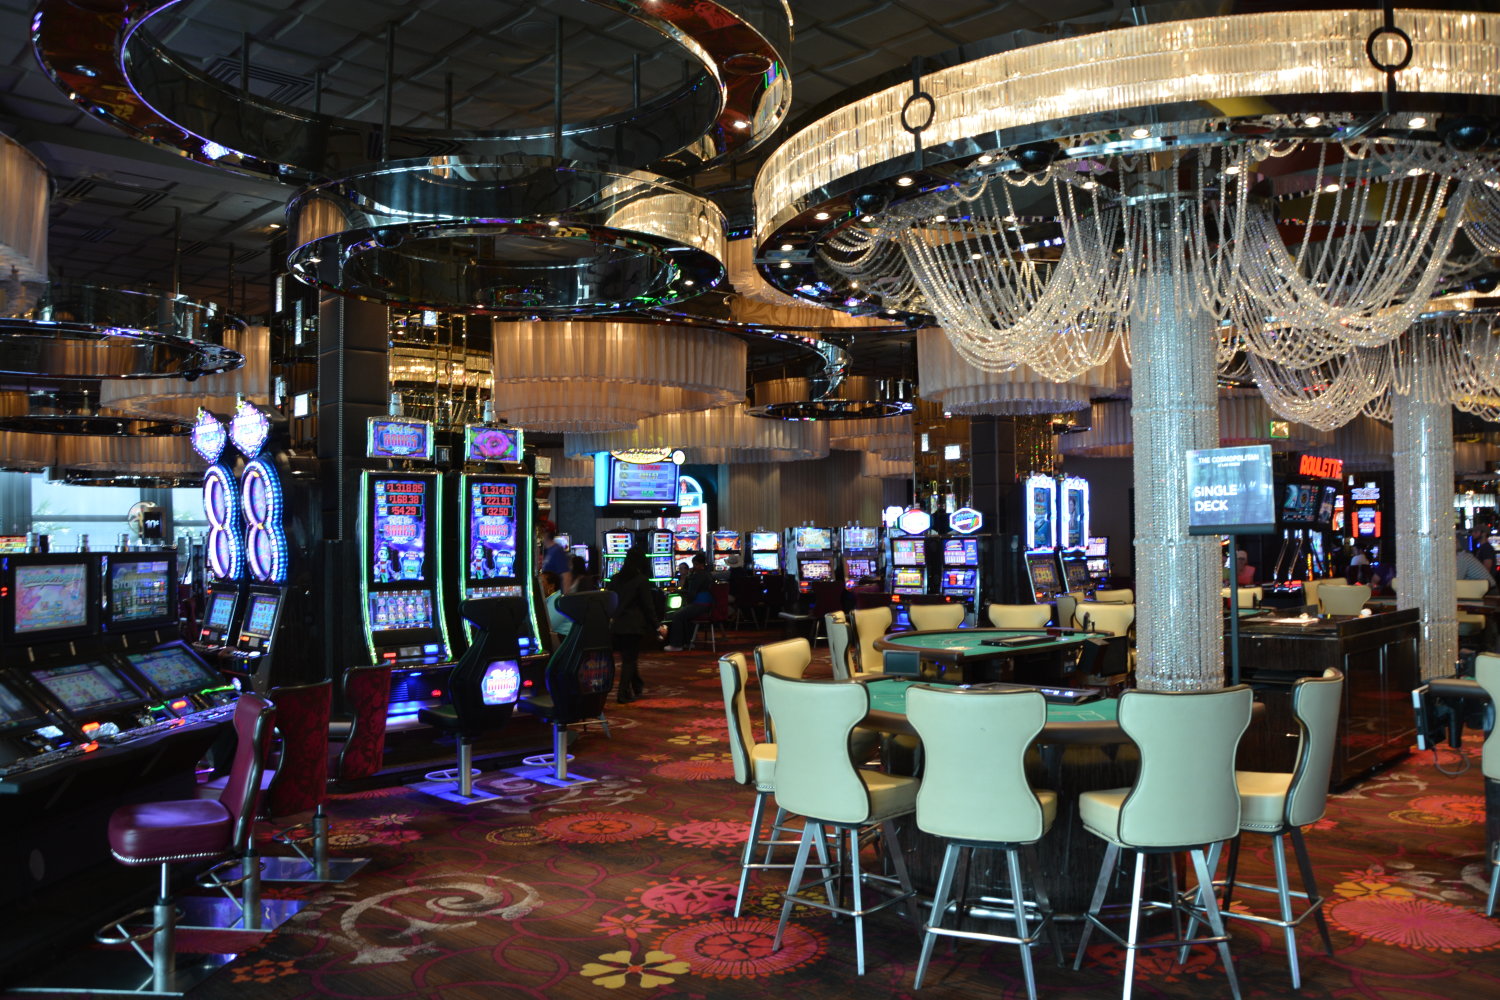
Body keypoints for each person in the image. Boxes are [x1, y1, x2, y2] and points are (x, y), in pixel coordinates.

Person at [606, 547, 659, 703]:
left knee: (629, 657)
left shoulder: (615, 578)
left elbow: (608, 601)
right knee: (629, 660)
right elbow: (648, 606)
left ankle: (637, 685)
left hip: (616, 625)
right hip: (634, 625)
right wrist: (656, 625)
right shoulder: (641, 580)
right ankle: (622, 693)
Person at [663, 553, 714, 651]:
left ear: (700, 564)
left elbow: (691, 593)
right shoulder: (708, 574)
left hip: (700, 604)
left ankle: (676, 645)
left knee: (677, 615)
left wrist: (683, 591)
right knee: (684, 615)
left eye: (695, 564)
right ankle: (688, 642)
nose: (694, 566)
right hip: (707, 604)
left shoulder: (698, 575)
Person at [540, 570, 572, 640]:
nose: (537, 585)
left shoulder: (557, 601)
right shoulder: (551, 599)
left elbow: (546, 627)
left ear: (551, 586)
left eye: (541, 582)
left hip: (565, 641)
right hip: (559, 639)